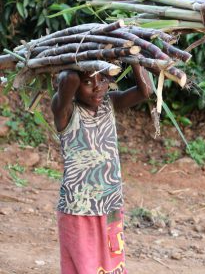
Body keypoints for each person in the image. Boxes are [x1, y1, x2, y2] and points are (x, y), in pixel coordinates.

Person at [51, 65, 153, 274]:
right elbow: (68, 77)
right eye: (88, 83)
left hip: (110, 204)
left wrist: (133, 58)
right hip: (79, 209)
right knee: (84, 267)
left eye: (103, 80)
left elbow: (146, 91)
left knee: (112, 264)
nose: (97, 88)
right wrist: (81, 59)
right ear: (76, 84)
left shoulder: (110, 102)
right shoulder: (65, 110)